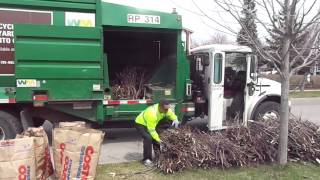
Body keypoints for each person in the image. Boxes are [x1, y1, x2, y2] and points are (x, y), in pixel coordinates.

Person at [134, 99, 180, 167]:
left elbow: (170, 114)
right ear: (160, 107)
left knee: (157, 137)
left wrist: (175, 119)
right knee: (148, 138)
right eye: (165, 109)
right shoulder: (152, 113)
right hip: (141, 123)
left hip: (152, 123)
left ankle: (158, 156)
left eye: (167, 109)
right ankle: (147, 159)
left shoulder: (165, 109)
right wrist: (159, 140)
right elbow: (151, 130)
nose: (166, 111)